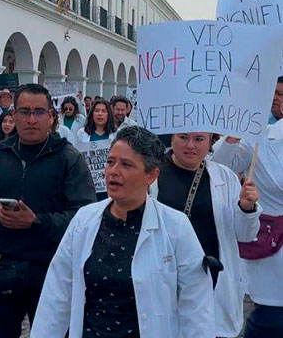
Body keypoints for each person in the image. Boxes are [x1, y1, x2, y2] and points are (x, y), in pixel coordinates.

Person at [31, 126, 215, 338]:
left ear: (152, 175)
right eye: (111, 162)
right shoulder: (84, 220)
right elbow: (56, 296)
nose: (113, 171)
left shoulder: (176, 226)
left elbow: (196, 306)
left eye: (126, 165)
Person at [0, 84, 95, 337]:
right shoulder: (0, 154)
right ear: (13, 115)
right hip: (4, 267)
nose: (31, 119)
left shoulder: (68, 158)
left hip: (52, 268)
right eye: (25, 112)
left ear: (51, 116)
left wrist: (36, 221)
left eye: (39, 112)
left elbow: (84, 215)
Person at [151, 132, 260, 337]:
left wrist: (247, 208)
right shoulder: (152, 176)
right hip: (165, 282)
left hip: (213, 284)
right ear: (172, 138)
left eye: (199, 139)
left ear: (210, 141)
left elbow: (245, 235)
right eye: (183, 137)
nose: (190, 145)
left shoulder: (224, 177)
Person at [211, 95, 283, 337]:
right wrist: (235, 131)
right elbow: (218, 165)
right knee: (270, 321)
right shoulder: (261, 137)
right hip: (274, 251)